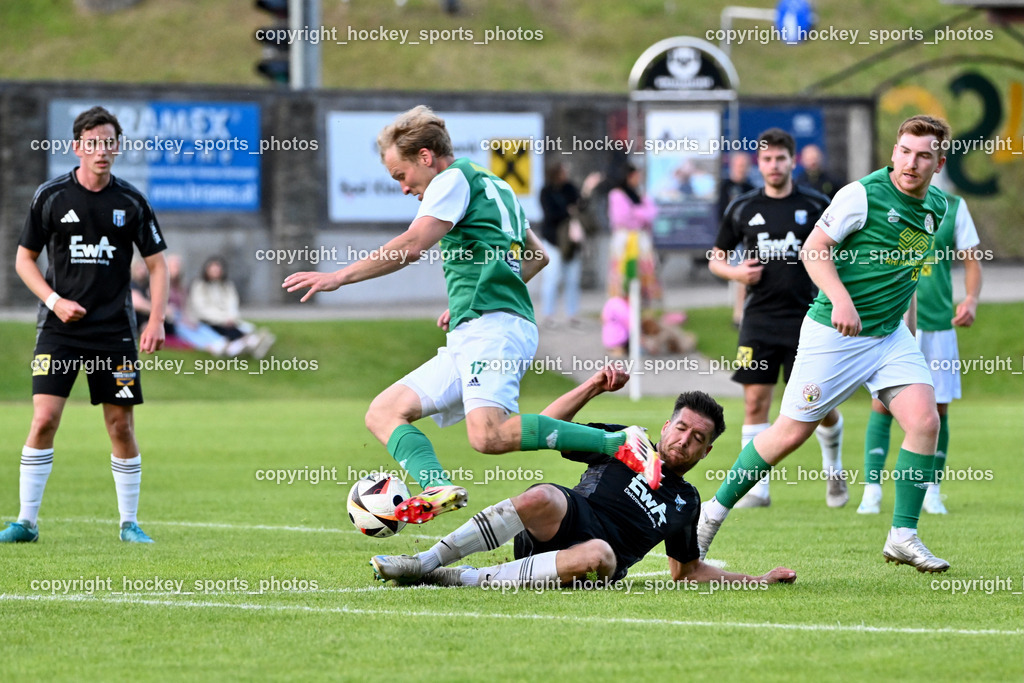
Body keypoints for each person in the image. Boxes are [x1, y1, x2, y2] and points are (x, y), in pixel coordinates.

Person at [283, 105, 657, 524]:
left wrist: (339, 276)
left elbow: (411, 246)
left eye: (401, 175)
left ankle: (619, 442)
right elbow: (537, 256)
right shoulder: (495, 184)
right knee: (384, 412)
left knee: (489, 435)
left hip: (494, 329)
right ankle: (436, 486)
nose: (403, 188)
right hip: (478, 326)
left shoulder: (450, 179)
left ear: (426, 157)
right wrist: (471, 298)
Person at [697, 115, 954, 573]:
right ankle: (710, 515)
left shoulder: (937, 205)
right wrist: (840, 299)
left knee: (924, 421)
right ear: (894, 151)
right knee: (790, 433)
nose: (911, 163)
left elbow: (907, 274)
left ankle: (903, 535)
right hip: (835, 334)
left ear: (939, 162)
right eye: (905, 151)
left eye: (923, 155)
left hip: (889, 336)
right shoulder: (861, 195)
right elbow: (813, 250)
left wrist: (908, 329)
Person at [371, 366, 797, 590]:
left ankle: (458, 578)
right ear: (666, 426)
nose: (684, 440)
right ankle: (425, 562)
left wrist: (758, 581)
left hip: (597, 562)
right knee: (543, 495)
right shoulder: (625, 440)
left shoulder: (687, 501)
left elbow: (686, 571)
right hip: (564, 519)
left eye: (697, 439)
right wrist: (592, 386)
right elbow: (545, 425)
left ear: (706, 452)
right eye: (681, 428)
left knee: (598, 553)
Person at [2, 106, 168, 544]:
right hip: (58, 331)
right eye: (92, 143)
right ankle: (26, 522)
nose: (101, 151)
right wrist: (54, 301)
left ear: (118, 147)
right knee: (43, 420)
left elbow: (157, 265)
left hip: (114, 334)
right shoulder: (51, 197)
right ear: (77, 147)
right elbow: (23, 260)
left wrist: (155, 319)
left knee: (120, 427)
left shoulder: (131, 202)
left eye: (109, 142)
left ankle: (129, 523)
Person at [708, 128, 845, 509]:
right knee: (755, 402)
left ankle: (834, 470)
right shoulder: (742, 207)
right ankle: (757, 488)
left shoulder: (817, 205)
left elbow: (842, 251)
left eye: (780, 159)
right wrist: (736, 273)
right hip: (759, 320)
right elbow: (716, 257)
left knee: (818, 403)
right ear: (759, 163)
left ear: (792, 161)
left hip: (810, 318)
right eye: (767, 159)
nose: (773, 165)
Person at [858, 192, 982, 515]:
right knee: (882, 403)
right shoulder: (885, 199)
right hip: (893, 321)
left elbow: (972, 260)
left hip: (938, 325)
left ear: (939, 165)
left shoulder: (954, 207)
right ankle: (872, 491)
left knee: (938, 409)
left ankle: (932, 491)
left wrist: (971, 299)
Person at [538, 163, 599, 328]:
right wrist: (568, 210)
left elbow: (581, 206)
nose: (566, 174)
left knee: (572, 279)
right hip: (553, 241)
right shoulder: (546, 191)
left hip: (571, 243)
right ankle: (548, 315)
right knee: (551, 279)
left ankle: (572, 314)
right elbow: (550, 214)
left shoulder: (570, 188)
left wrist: (587, 189)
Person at [188, 255, 274, 358]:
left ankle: (249, 343)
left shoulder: (226, 285)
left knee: (242, 328)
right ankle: (247, 344)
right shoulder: (199, 285)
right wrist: (223, 319)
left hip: (228, 320)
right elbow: (201, 309)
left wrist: (231, 317)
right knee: (229, 330)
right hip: (210, 321)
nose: (215, 272)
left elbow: (232, 303)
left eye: (217, 269)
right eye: (213, 269)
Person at [607, 163, 661, 306]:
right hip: (625, 243)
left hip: (641, 242)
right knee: (623, 275)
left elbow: (652, 213)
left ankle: (643, 305)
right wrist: (640, 214)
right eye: (636, 176)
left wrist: (636, 213)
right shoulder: (617, 195)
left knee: (643, 274)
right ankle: (622, 306)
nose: (639, 179)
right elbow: (622, 218)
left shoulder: (639, 195)